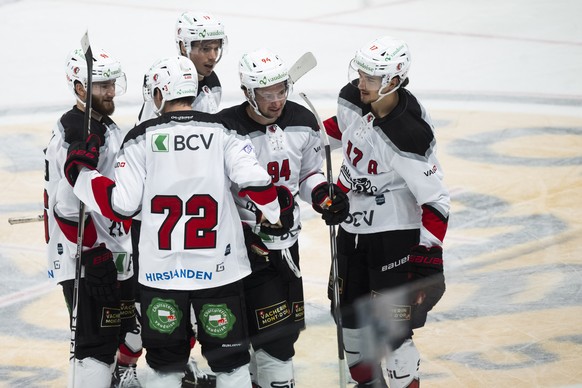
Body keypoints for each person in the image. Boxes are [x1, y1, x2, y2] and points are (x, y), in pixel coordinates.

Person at [64, 55, 294, 388]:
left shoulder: (141, 137)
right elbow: (257, 183)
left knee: (166, 367)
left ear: (159, 94)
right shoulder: (223, 130)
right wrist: (274, 208)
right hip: (220, 272)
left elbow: (122, 205)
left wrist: (82, 175)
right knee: (230, 364)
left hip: (161, 275)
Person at [322, 36, 450, 387]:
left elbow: (436, 200)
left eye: (371, 78)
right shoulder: (354, 97)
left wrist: (428, 254)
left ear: (393, 81)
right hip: (352, 232)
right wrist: (299, 133)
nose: (361, 82)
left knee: (392, 335)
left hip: (394, 238)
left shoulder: (408, 134)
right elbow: (342, 129)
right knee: (351, 330)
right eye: (361, 73)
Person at [219, 48, 350, 387]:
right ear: (249, 92)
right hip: (234, 250)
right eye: (267, 94)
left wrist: (323, 195)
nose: (276, 101)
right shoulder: (225, 128)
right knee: (233, 342)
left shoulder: (304, 122)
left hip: (283, 249)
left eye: (281, 91)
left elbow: (307, 175)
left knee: (278, 342)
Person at [129, 11, 228, 387]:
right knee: (159, 301)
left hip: (193, 210)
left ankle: (181, 362)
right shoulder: (165, 85)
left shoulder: (211, 83)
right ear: (184, 46)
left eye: (216, 45)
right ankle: (128, 363)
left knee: (192, 288)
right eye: (203, 46)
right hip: (158, 215)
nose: (211, 54)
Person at [43, 48, 136, 387]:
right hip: (83, 256)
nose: (110, 92)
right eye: (101, 86)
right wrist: (94, 255)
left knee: (126, 333)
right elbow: (67, 207)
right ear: (80, 88)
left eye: (112, 84)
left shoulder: (100, 126)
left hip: (110, 249)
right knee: (95, 345)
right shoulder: (78, 133)